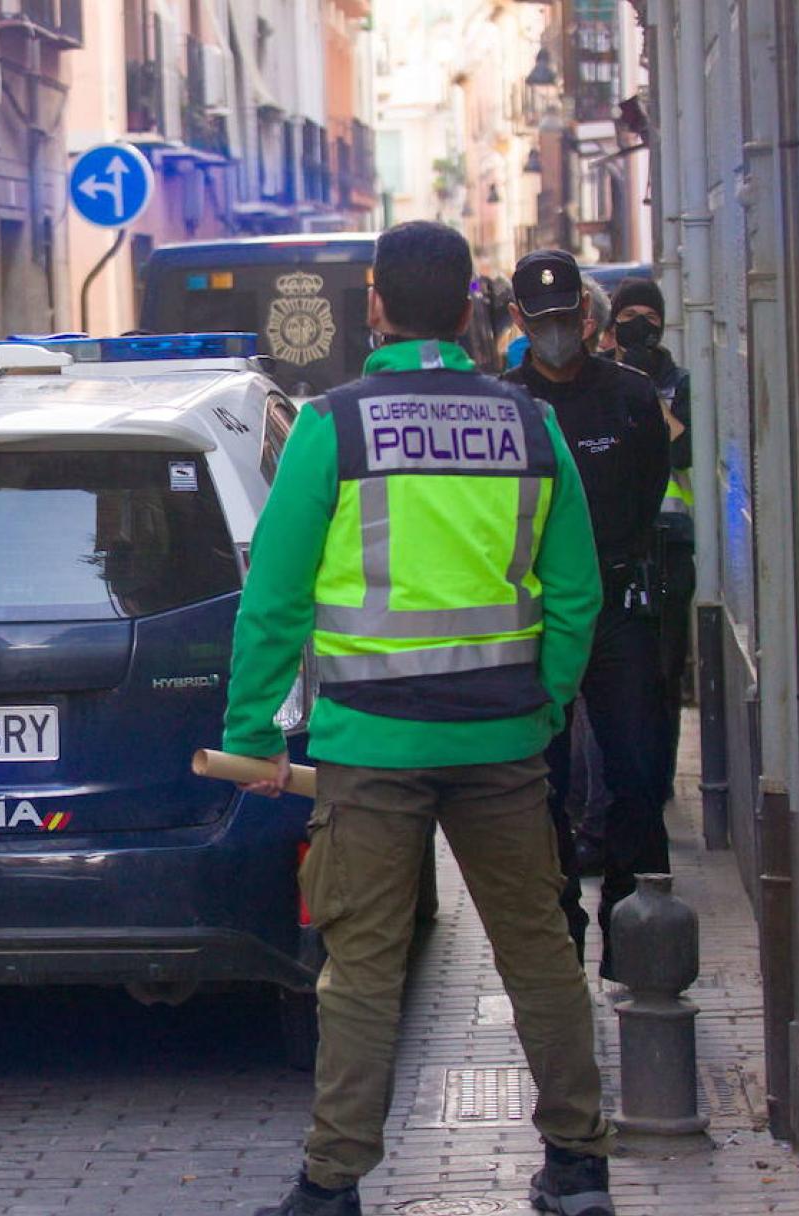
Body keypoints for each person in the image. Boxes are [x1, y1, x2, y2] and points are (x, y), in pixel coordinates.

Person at [222, 222, 616, 1216]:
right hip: (501, 739)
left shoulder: (331, 428)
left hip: (370, 748)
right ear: (475, 305)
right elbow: (576, 592)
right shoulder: (531, 426)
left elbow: (273, 598)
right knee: (539, 952)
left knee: (360, 968)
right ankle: (579, 1166)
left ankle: (334, 1182)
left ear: (375, 304)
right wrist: (545, 703)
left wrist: (253, 736)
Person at [504, 250, 671, 982]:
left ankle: (634, 925)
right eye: (540, 321)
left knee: (636, 773)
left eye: (566, 317)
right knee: (542, 785)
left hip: (616, 610)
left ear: (587, 315)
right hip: (533, 619)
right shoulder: (503, 406)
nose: (556, 332)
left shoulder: (631, 399)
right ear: (519, 323)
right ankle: (560, 924)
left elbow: (648, 493)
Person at [608, 276, 696, 802]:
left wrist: (643, 385)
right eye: (630, 314)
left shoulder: (678, 382)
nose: (640, 325)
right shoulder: (600, 381)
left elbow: (680, 450)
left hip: (670, 542)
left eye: (650, 316)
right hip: (619, 543)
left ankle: (658, 781)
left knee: (664, 673)